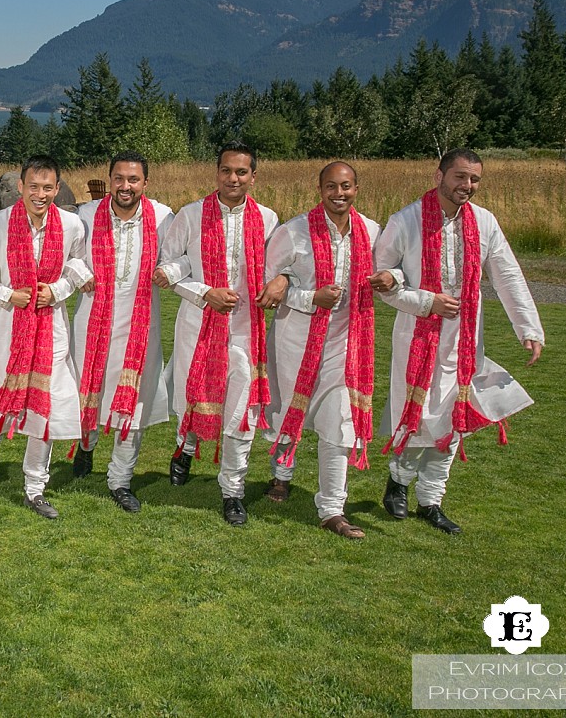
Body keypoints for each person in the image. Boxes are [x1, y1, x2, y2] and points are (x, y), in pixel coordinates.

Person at [369, 148, 544, 534]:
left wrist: (528, 328)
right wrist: (426, 301)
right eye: (460, 177)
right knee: (415, 415)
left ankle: (432, 500)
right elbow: (381, 280)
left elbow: (507, 274)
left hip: (464, 340)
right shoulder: (406, 220)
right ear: (439, 176)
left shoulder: (484, 223)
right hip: (416, 335)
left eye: (474, 180)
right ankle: (398, 483)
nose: (467, 186)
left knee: (454, 417)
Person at [156, 142, 279, 526]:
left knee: (241, 410)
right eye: (226, 171)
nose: (233, 178)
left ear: (253, 177)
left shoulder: (269, 219)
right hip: (198, 325)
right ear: (217, 173)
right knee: (194, 395)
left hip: (246, 329)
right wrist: (204, 292)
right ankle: (185, 448)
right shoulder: (191, 215)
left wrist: (282, 281)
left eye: (241, 172)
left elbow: (281, 265)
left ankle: (232, 491)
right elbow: (170, 265)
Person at [258, 162, 380, 539]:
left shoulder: (372, 232)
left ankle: (332, 508)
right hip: (296, 340)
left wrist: (394, 278)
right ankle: (281, 476)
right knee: (285, 412)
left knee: (339, 423)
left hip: (346, 345)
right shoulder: (293, 232)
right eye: (331, 186)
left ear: (356, 188)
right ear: (320, 189)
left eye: (345, 186)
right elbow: (268, 286)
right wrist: (313, 297)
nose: (338, 194)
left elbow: (395, 267)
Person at [0, 155, 90, 519]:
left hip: (50, 330)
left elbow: (80, 266)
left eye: (48, 187)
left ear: (57, 188)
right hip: (5, 327)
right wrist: (6, 293)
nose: (40, 194)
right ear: (20, 186)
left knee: (43, 405)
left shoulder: (71, 225)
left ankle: (35, 487)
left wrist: (59, 289)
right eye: (33, 186)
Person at [70, 151, 175, 513]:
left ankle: (120, 479)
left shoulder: (163, 217)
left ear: (145, 183)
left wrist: (170, 272)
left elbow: (180, 256)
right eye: (119, 178)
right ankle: (85, 447)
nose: (125, 186)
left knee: (135, 401)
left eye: (133, 179)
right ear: (110, 179)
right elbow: (68, 254)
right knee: (88, 392)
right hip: (92, 322)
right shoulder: (85, 216)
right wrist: (80, 273)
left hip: (140, 326)